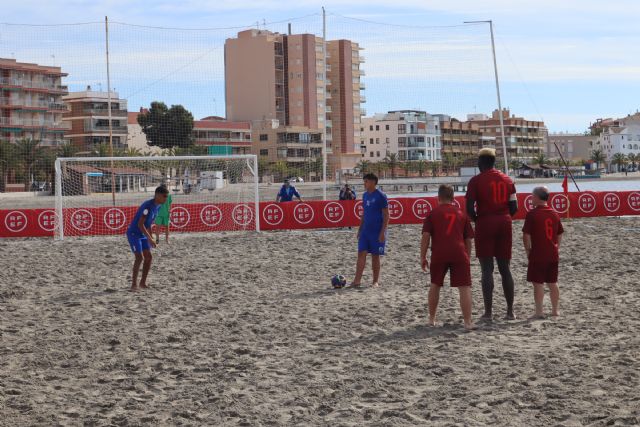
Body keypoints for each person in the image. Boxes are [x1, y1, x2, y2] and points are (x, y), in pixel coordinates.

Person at [465, 147, 518, 320]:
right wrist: (503, 216)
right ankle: (510, 311)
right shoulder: (508, 180)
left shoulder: (476, 181)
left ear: (481, 163)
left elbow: (469, 208)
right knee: (505, 269)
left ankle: (488, 312)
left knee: (486, 269)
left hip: (485, 222)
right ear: (494, 162)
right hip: (504, 222)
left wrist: (478, 220)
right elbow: (514, 208)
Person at [421, 185, 475, 329]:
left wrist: (423, 256)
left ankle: (432, 319)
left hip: (439, 252)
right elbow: (468, 239)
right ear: (453, 198)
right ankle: (468, 322)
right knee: (464, 287)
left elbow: (425, 236)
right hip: (459, 252)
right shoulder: (461, 213)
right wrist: (467, 256)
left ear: (438, 197)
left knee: (435, 285)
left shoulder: (432, 214)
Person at [522, 186, 564, 318]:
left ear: (537, 197)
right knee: (552, 282)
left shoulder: (532, 214)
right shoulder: (554, 213)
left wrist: (528, 250)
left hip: (538, 253)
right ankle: (555, 310)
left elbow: (526, 235)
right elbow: (559, 234)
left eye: (532, 196)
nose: (531, 198)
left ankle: (539, 311)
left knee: (538, 283)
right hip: (552, 253)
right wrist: (557, 247)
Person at [126, 185, 169, 292]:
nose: (166, 199)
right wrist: (150, 238)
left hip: (143, 234)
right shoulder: (147, 206)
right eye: (164, 196)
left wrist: (151, 237)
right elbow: (141, 224)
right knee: (139, 257)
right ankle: (133, 285)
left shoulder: (158, 206)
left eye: (167, 196)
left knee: (149, 257)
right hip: (134, 233)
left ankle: (142, 283)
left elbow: (148, 223)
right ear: (157, 195)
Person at [350, 173, 389, 288]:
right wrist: (360, 229)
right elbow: (364, 213)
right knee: (361, 253)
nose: (364, 183)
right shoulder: (365, 195)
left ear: (373, 182)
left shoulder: (381, 196)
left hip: (377, 231)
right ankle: (357, 281)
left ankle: (375, 281)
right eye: (364, 181)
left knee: (375, 256)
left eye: (366, 181)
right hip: (365, 231)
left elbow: (386, 215)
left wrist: (383, 232)